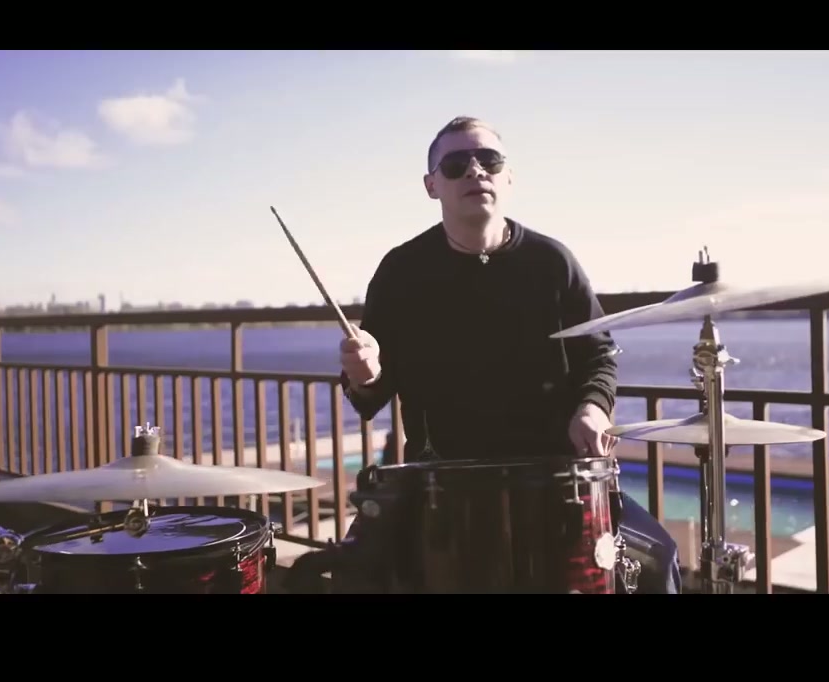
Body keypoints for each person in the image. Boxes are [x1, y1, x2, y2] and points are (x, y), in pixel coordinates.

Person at [284, 116, 682, 594]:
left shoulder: (553, 262)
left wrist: (592, 407)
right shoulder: (401, 271)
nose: (475, 171)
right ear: (432, 186)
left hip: (554, 478)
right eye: (456, 164)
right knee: (355, 579)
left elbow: (598, 356)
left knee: (658, 560)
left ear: (508, 177)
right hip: (441, 482)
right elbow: (371, 392)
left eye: (489, 160)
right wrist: (364, 373)